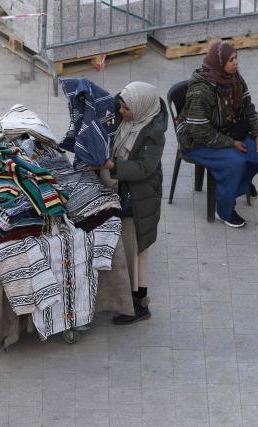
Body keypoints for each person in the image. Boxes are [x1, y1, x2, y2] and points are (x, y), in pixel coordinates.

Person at [91, 81, 167, 324]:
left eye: (125, 109)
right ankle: (131, 298)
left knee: (135, 249)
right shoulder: (128, 117)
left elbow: (144, 167)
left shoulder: (152, 135)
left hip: (140, 198)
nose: (120, 112)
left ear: (140, 108)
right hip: (126, 189)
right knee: (131, 248)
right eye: (121, 107)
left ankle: (138, 304)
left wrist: (113, 167)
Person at [176, 41, 258, 228]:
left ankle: (237, 185)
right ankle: (224, 210)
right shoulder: (201, 90)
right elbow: (199, 131)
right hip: (197, 142)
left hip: (226, 130)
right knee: (235, 162)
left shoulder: (234, 78)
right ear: (219, 63)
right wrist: (229, 143)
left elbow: (248, 107)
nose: (236, 63)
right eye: (231, 60)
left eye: (236, 58)